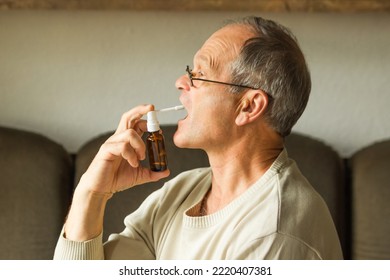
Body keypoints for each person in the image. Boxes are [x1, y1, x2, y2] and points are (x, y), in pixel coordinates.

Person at [54, 16, 342, 260]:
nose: (181, 82)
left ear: (249, 106)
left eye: (200, 73)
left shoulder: (272, 234)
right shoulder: (181, 193)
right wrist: (90, 194)